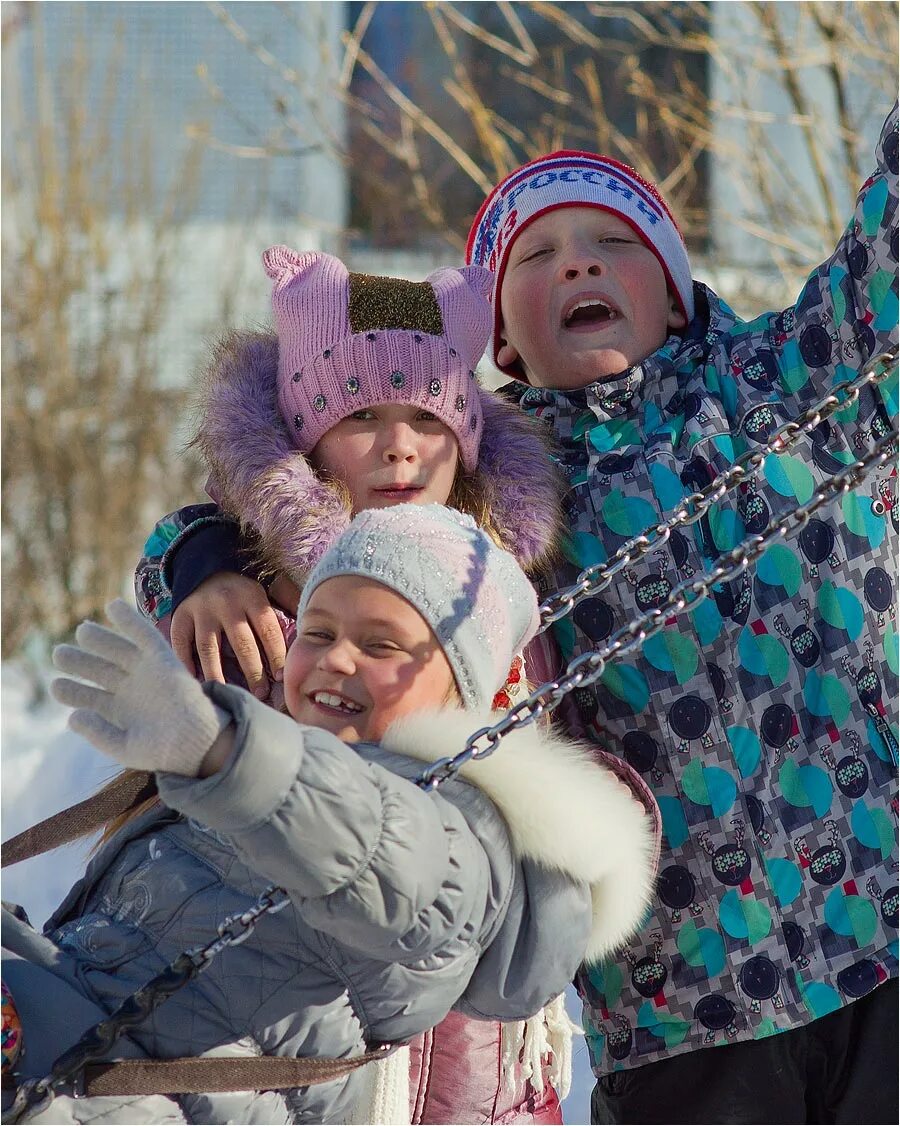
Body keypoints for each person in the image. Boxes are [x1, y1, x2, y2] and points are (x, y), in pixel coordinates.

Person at [462, 106, 899, 1124]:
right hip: (684, 1003)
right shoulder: (488, 483)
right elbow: (309, 509)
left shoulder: (791, 378)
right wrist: (204, 562)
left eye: (614, 242)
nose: (580, 265)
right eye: (539, 257)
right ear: (499, 336)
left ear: (671, 285)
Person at [128, 246, 605, 1124]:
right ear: (304, 444)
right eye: (362, 419)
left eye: (427, 419)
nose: (399, 446)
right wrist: (194, 562)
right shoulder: (263, 602)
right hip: (300, 1043)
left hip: (483, 1052)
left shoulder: (504, 597)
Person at [1, 503, 659, 1126]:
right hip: (70, 1061)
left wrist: (226, 753)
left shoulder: (462, 818)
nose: (337, 658)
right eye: (319, 632)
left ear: (460, 692)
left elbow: (383, 851)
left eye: (381, 646)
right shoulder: (277, 759)